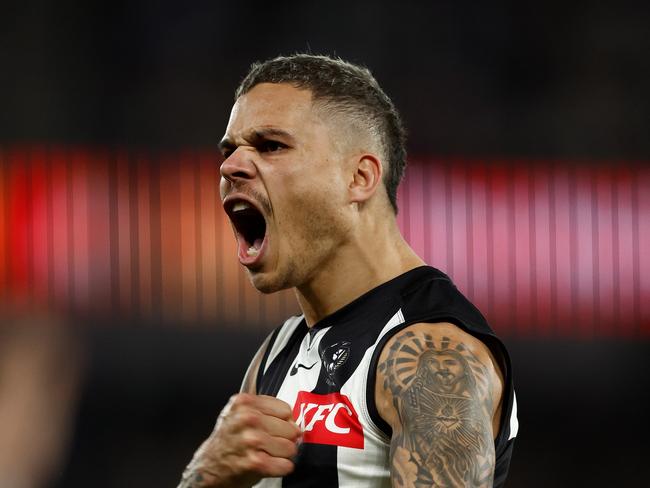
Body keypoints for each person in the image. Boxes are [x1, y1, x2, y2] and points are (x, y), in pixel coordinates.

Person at [178, 54, 517, 488]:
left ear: (359, 178)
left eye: (271, 146)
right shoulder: (278, 351)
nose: (229, 167)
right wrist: (206, 477)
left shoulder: (432, 353)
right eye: (229, 150)